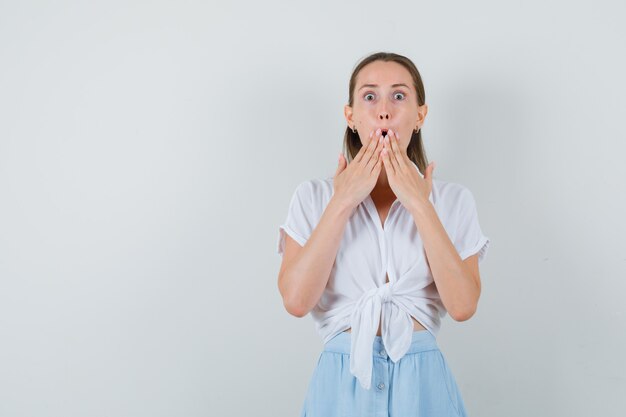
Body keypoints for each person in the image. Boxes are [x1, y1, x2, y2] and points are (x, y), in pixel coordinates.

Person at [277, 51, 490, 417]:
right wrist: (342, 201)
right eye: (370, 96)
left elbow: (463, 305)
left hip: (423, 387)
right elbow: (296, 301)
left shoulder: (454, 200)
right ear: (351, 116)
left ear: (420, 115)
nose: (384, 110)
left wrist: (420, 205)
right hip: (340, 385)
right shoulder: (313, 197)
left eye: (399, 95)